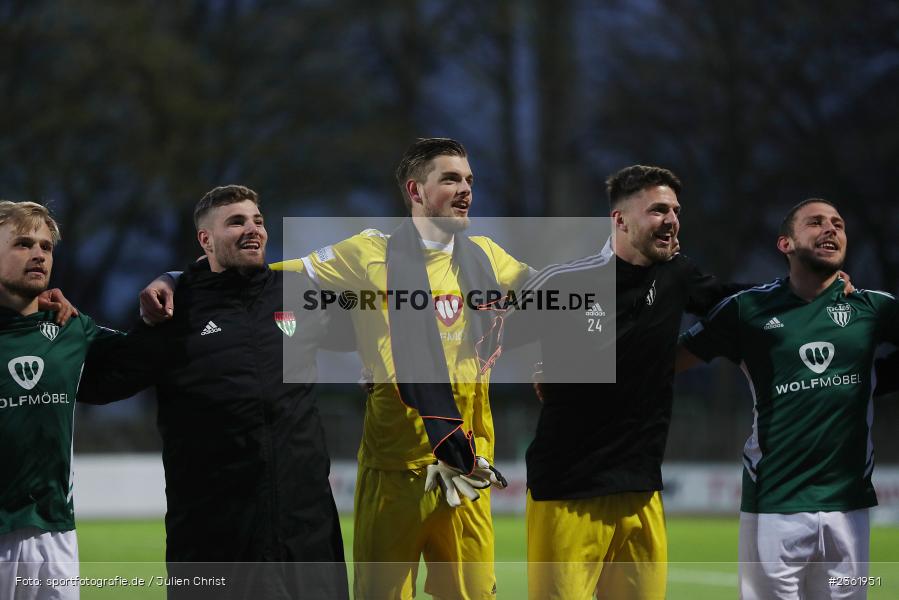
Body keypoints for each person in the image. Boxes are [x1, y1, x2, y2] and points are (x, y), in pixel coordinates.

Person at [141, 138, 530, 599]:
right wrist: (179, 278)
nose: (465, 189)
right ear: (416, 191)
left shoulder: (487, 257)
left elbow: (551, 300)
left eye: (468, 179)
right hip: (393, 468)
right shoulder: (367, 253)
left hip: (467, 463)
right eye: (450, 178)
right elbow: (265, 278)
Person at [78, 186, 349, 600]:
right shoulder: (173, 310)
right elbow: (105, 380)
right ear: (205, 240)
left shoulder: (297, 294)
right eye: (236, 222)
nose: (252, 229)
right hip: (214, 534)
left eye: (257, 220)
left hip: (304, 526)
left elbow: (371, 331)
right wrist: (48, 332)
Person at [519, 165, 752, 600]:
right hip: (569, 490)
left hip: (642, 489)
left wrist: (804, 289)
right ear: (620, 219)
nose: (671, 219)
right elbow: (485, 335)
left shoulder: (677, 275)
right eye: (658, 209)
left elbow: (735, 303)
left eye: (675, 210)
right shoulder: (568, 281)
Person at [678, 199, 899, 600]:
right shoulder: (747, 310)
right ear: (785, 244)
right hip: (774, 504)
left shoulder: (871, 307)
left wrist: (874, 380)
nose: (830, 229)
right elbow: (667, 361)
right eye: (815, 223)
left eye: (838, 224)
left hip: (850, 507)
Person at [0, 200, 117, 600]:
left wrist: (173, 280)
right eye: (22, 244)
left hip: (55, 533)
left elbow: (149, 356)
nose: (38, 254)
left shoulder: (70, 328)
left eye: (46, 247)